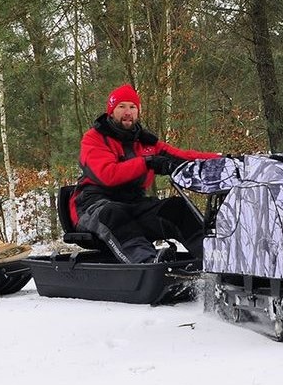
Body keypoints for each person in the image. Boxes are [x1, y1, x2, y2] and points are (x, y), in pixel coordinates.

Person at [69, 83, 219, 263]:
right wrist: (147, 163)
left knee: (176, 208)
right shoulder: (94, 138)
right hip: (93, 207)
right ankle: (147, 264)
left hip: (134, 204)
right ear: (111, 111)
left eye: (132, 107)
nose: (128, 112)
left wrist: (222, 160)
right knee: (114, 213)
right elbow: (108, 175)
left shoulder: (146, 143)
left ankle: (217, 259)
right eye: (121, 107)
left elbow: (183, 156)